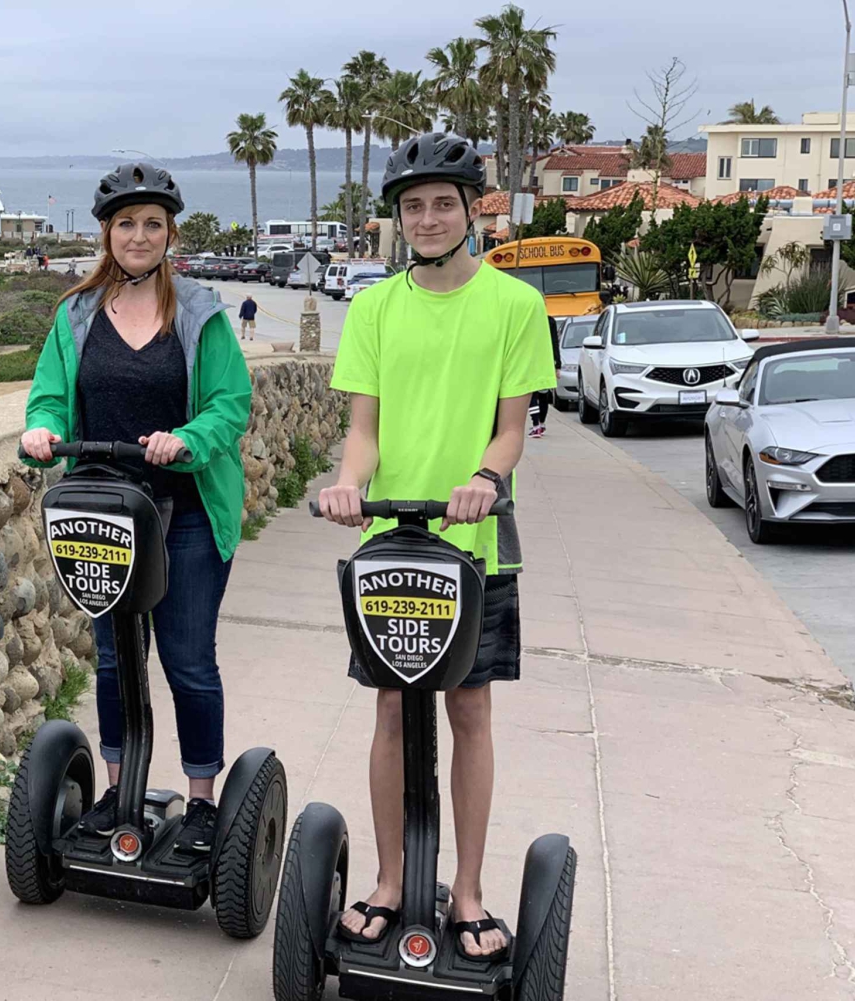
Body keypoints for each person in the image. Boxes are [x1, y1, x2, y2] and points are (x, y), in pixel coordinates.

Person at [316, 132, 556, 959]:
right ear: (398, 217)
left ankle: (469, 891)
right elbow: (363, 431)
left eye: (442, 203)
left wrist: (486, 479)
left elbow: (512, 427)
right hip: (392, 547)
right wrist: (349, 483)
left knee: (470, 709)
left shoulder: (514, 307)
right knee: (390, 708)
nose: (426, 218)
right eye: (412, 206)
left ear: (470, 211)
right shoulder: (376, 308)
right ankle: (389, 879)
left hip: (475, 544)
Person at [20, 162, 252, 854]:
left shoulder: (201, 313)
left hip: (184, 512)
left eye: (153, 223)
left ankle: (204, 801)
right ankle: (119, 787)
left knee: (186, 660)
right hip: (106, 514)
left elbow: (230, 406)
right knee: (117, 660)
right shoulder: (75, 314)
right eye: (127, 223)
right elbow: (51, 395)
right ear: (107, 233)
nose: (140, 235)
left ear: (169, 231)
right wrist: (40, 428)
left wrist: (186, 439)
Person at [528, 316, 563, 438]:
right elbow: (555, 342)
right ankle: (541, 424)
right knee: (544, 394)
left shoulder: (529, 319)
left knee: (532, 393)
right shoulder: (550, 321)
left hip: (531, 361)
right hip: (546, 361)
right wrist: (557, 364)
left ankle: (536, 425)